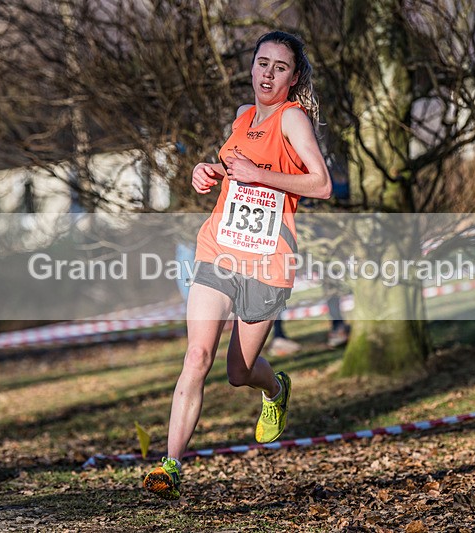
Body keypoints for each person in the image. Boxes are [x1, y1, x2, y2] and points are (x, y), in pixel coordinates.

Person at [142, 30, 331, 500]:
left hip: (268, 263)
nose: (268, 73)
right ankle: (170, 466)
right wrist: (205, 173)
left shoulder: (294, 121)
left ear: (293, 77)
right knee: (196, 357)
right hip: (218, 249)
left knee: (238, 372)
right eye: (262, 63)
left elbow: (322, 184)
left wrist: (261, 175)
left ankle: (276, 388)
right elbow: (232, 177)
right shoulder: (242, 118)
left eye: (279, 67)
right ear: (252, 68)